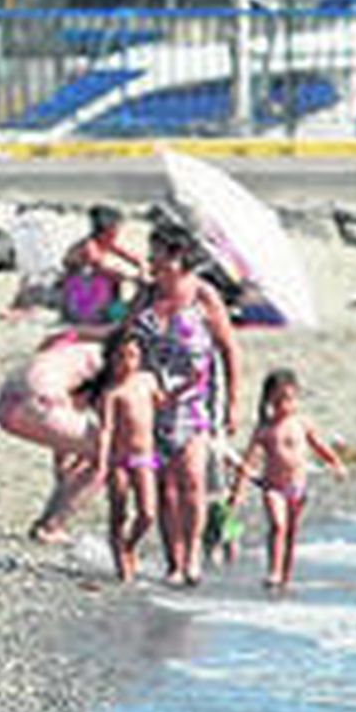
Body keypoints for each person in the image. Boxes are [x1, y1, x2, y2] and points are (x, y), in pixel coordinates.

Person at [127, 221, 241, 586]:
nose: (152, 260)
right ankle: (173, 561)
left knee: (192, 480)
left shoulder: (203, 295)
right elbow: (123, 339)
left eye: (158, 253)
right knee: (165, 487)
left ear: (178, 256)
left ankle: (192, 557)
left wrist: (233, 404)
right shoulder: (146, 295)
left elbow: (229, 349)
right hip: (150, 403)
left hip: (195, 404)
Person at [228, 369, 348, 590]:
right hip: (272, 486)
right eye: (279, 400)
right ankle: (273, 571)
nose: (285, 405)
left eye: (290, 399)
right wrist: (238, 491)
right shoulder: (265, 429)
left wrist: (335, 463)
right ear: (268, 400)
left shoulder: (302, 424)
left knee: (291, 533)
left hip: (297, 487)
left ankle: (285, 575)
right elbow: (249, 462)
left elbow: (319, 446)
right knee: (278, 525)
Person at [0, 328, 104, 545]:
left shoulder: (74, 350)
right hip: (40, 402)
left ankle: (50, 519)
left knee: (78, 454)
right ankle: (51, 526)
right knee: (109, 453)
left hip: (7, 401)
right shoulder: (118, 360)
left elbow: (72, 405)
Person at [92, 329, 164, 583]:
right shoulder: (111, 393)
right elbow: (106, 430)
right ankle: (121, 561)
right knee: (119, 511)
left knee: (148, 513)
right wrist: (102, 462)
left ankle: (129, 545)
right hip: (119, 460)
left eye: (132, 356)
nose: (127, 363)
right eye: (121, 357)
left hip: (145, 456)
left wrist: (187, 387)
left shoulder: (147, 381)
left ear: (141, 358)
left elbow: (162, 404)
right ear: (111, 360)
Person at [60, 205, 145, 327]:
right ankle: (110, 314)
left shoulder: (105, 242)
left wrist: (140, 264)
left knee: (113, 279)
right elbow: (100, 268)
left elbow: (128, 256)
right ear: (106, 230)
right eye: (116, 229)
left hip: (85, 285)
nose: (118, 232)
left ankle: (113, 313)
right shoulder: (90, 246)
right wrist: (129, 277)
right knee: (111, 279)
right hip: (78, 294)